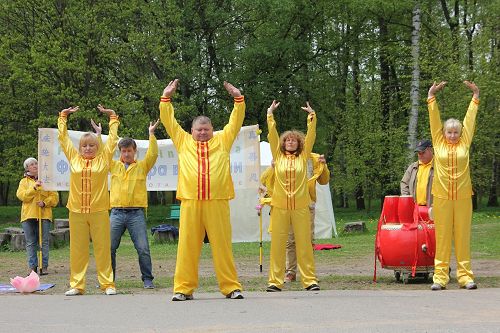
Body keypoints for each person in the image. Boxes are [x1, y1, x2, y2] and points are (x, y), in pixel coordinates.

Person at [159, 79, 245, 301]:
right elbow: (169, 121)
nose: (203, 133)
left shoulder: (223, 140)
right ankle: (183, 288)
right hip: (190, 201)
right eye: (199, 129)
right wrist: (166, 97)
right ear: (192, 130)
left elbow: (235, 122)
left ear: (213, 130)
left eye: (206, 129)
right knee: (187, 246)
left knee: (222, 246)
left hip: (217, 201)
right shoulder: (183, 141)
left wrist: (238, 99)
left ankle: (231, 287)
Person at [58, 104, 119, 296]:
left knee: (102, 249)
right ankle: (77, 285)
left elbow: (113, 140)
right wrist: (63, 117)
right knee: (78, 250)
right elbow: (63, 138)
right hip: (76, 210)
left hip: (99, 210)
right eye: (84, 145)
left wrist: (113, 118)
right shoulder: (74, 158)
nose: (88, 148)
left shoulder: (104, 159)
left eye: (91, 145)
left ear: (97, 146)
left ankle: (108, 284)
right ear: (80, 147)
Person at [427, 80, 480, 291]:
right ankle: (440, 277)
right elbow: (434, 119)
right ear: (444, 133)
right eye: (449, 132)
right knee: (442, 237)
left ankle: (465, 276)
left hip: (463, 196)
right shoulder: (438, 141)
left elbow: (470, 120)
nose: (452, 135)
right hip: (441, 197)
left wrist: (475, 96)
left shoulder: (465, 141)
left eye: (455, 132)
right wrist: (431, 97)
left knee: (462, 236)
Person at [96, 120, 160, 289]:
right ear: (120, 152)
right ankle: (109, 280)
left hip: (136, 213)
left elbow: (153, 155)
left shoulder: (142, 166)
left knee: (143, 248)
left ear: (134, 151)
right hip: (116, 213)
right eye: (123, 151)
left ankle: (147, 279)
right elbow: (104, 153)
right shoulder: (114, 166)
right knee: (109, 248)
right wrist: (98, 136)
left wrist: (151, 134)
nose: (126, 154)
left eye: (129, 151)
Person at [265, 99, 319, 292]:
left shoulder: (303, 157)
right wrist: (270, 115)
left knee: (304, 243)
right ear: (283, 143)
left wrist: (311, 117)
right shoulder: (277, 156)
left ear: (299, 143)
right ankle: (274, 281)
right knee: (278, 244)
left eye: (293, 140)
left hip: (301, 207)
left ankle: (310, 280)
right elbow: (272, 135)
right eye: (287, 140)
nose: (290, 142)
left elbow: (311, 136)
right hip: (279, 207)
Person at [285, 153, 330, 283]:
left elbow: (324, 180)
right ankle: (290, 272)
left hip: (307, 204)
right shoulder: (284, 159)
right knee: (290, 239)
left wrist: (324, 165)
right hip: (289, 204)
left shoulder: (313, 159)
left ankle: (309, 273)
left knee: (308, 240)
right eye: (290, 140)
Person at [16, 158, 59, 275]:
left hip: (44, 215)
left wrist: (45, 203)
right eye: (32, 164)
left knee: (44, 241)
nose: (35, 165)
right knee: (30, 242)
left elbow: (55, 198)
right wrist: (34, 188)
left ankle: (44, 266)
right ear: (27, 168)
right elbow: (22, 196)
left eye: (36, 163)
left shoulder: (47, 180)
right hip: (28, 215)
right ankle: (32, 267)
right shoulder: (23, 182)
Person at [400, 139, 434, 207]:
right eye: (418, 153)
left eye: (423, 152)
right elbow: (404, 183)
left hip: (434, 209)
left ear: (431, 150)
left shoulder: (440, 167)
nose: (420, 155)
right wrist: (407, 199)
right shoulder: (412, 167)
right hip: (415, 209)